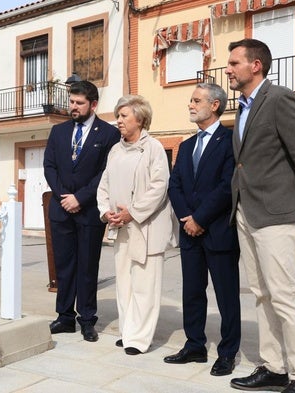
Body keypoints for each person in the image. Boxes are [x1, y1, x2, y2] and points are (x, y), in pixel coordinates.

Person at [226, 38, 295, 393]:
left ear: (256, 65)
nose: (228, 69)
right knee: (262, 294)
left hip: (277, 214)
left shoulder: (280, 98)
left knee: (285, 296)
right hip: (246, 213)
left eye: (234, 63)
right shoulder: (243, 106)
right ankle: (274, 366)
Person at [164, 83, 241, 375]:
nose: (190, 105)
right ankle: (194, 345)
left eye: (197, 100)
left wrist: (201, 219)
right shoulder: (185, 146)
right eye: (191, 101)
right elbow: (175, 184)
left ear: (215, 105)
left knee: (226, 295)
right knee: (192, 293)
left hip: (218, 232)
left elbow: (226, 187)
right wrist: (186, 218)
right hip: (189, 233)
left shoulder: (230, 140)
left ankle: (227, 353)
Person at [97, 95, 176, 355]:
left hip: (146, 226)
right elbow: (104, 186)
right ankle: (128, 330)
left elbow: (159, 188)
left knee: (145, 284)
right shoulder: (115, 150)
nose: (118, 121)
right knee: (124, 282)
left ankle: (139, 339)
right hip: (119, 227)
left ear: (139, 119)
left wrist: (132, 212)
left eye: (124, 116)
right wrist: (106, 212)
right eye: (118, 116)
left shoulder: (153, 148)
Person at [43, 80, 120, 342]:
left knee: (88, 267)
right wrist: (64, 196)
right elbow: (49, 167)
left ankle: (87, 319)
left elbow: (106, 173)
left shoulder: (109, 134)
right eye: (71, 102)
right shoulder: (59, 132)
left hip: (88, 211)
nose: (73, 107)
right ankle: (64, 317)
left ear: (93, 104)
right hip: (61, 209)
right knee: (64, 267)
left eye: (79, 103)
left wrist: (80, 198)